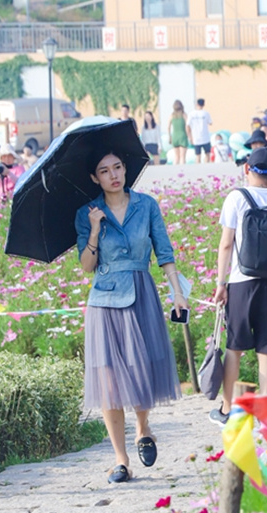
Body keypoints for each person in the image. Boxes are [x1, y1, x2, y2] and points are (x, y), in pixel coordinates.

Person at [75, 149, 187, 484]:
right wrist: (94, 229)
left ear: (126, 170)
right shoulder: (87, 212)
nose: (113, 175)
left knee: (142, 367)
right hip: (104, 300)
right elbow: (85, 266)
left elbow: (164, 252)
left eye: (118, 167)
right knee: (108, 380)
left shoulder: (146, 205)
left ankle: (143, 428)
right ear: (95, 178)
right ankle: (120, 460)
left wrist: (177, 292)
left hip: (141, 291)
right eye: (104, 170)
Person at [210, 147, 267, 426]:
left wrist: (220, 283)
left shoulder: (237, 197)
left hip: (240, 281)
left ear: (247, 169)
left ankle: (227, 410)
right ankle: (265, 413)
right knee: (266, 350)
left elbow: (226, 243)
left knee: (234, 348)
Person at [188, 98, 213, 164]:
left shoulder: (191, 114)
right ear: (203, 105)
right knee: (207, 154)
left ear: (197, 104)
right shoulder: (206, 113)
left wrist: (190, 137)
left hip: (196, 137)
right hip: (205, 137)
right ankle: (206, 166)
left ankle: (198, 168)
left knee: (198, 156)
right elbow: (210, 122)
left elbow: (188, 125)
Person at [168, 100, 189, 165]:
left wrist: (170, 136)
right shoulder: (184, 115)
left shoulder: (172, 116)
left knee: (176, 156)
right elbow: (187, 126)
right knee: (183, 157)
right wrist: (188, 135)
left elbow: (168, 127)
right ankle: (182, 171)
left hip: (175, 136)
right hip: (182, 136)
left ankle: (174, 171)